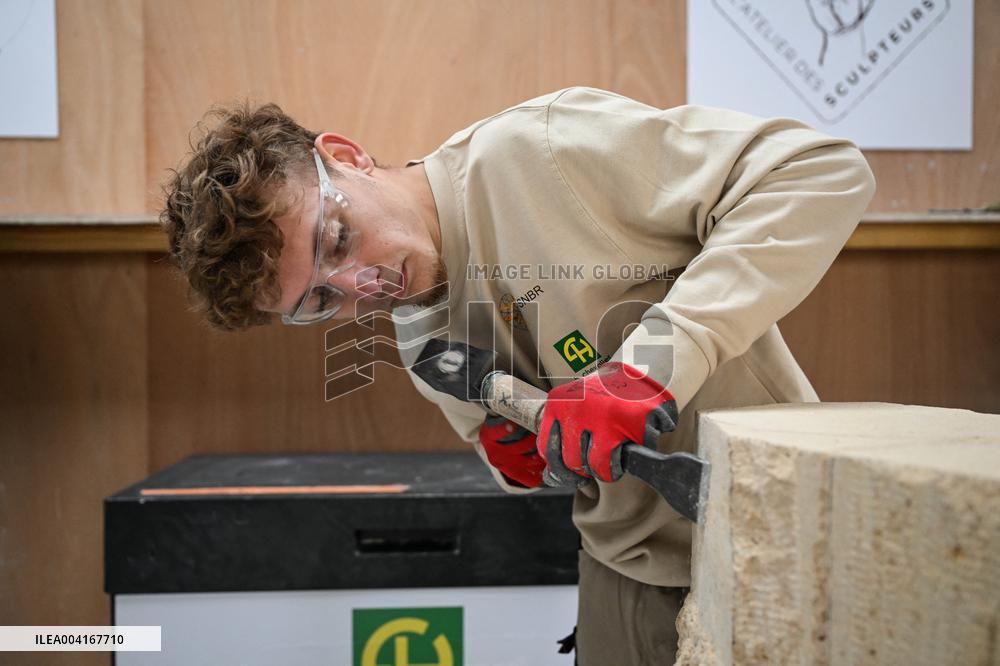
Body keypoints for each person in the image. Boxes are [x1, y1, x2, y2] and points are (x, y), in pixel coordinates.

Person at [160, 87, 876, 664]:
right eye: (323, 299)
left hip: (778, 532)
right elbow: (537, 461)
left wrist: (649, 368)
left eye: (337, 239)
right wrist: (526, 464)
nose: (364, 285)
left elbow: (818, 170)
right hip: (623, 574)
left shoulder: (542, 151)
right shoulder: (419, 339)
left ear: (347, 157)